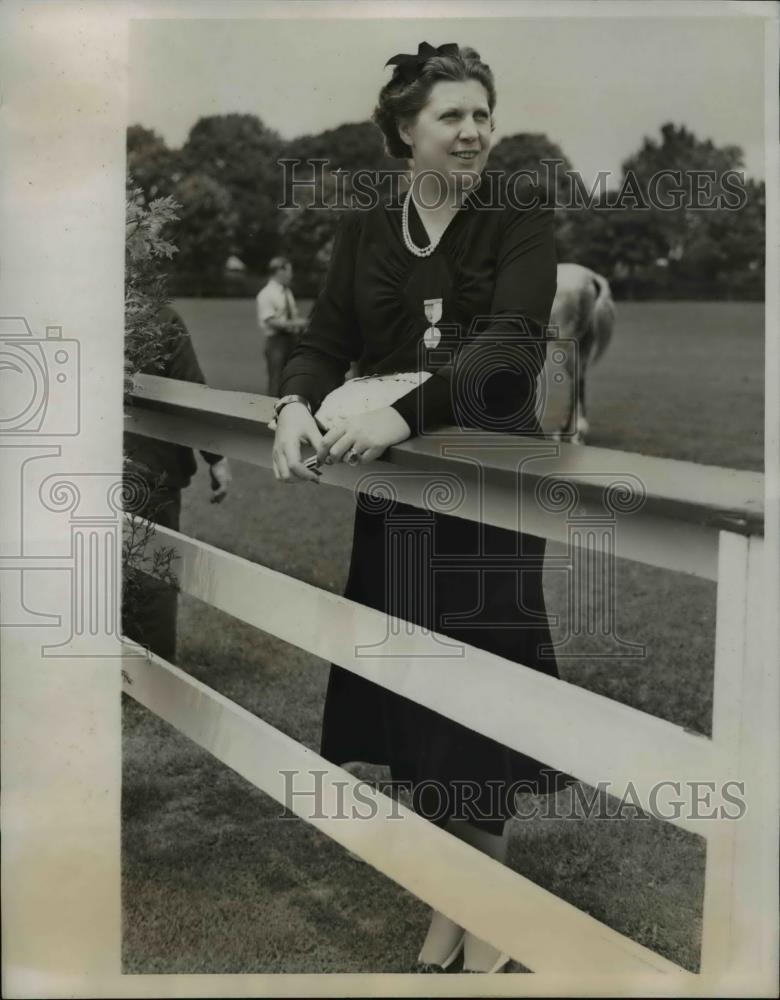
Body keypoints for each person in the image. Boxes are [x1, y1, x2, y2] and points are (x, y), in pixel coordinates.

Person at [271, 42, 571, 974]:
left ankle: (491, 921)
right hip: (392, 497)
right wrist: (289, 402)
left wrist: (400, 415)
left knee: (476, 703)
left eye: (483, 113)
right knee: (408, 698)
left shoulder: (516, 217)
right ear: (405, 130)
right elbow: (322, 342)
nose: (475, 131)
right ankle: (450, 907)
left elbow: (512, 350)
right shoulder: (367, 227)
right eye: (452, 115)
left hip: (483, 490)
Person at [123, 304, 231, 661]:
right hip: (150, 466)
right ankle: (152, 674)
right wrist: (216, 458)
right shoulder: (159, 316)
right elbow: (192, 393)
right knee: (154, 568)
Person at [256, 256, 307, 397]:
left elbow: (292, 315)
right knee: (276, 381)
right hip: (276, 343)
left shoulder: (287, 292)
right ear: (280, 271)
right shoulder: (266, 294)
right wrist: (297, 323)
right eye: (289, 271)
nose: (291, 275)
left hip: (292, 339)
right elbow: (271, 321)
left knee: (292, 379)